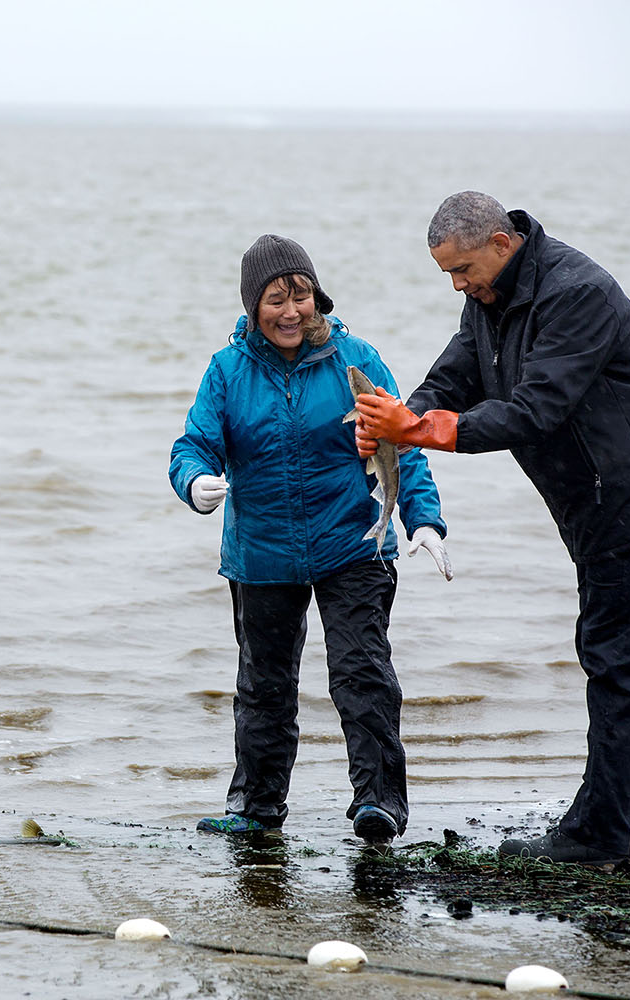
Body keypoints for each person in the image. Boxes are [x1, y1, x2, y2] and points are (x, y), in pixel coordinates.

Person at [353, 191, 630, 866]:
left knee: (610, 656)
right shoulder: (490, 296)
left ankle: (599, 833)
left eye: (463, 270)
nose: (459, 285)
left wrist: (421, 430)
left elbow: (535, 409)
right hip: (596, 497)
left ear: (500, 242)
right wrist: (404, 418)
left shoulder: (578, 293)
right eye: (448, 276)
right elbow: (457, 373)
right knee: (619, 658)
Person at [169, 234, 452, 846]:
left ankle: (379, 803)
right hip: (263, 552)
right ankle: (257, 806)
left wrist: (423, 519)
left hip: (354, 542)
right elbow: (193, 445)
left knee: (362, 673)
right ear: (253, 307)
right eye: (275, 299)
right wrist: (193, 482)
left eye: (301, 296)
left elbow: (403, 443)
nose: (290, 311)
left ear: (318, 298)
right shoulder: (227, 371)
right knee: (263, 685)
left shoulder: (355, 359)